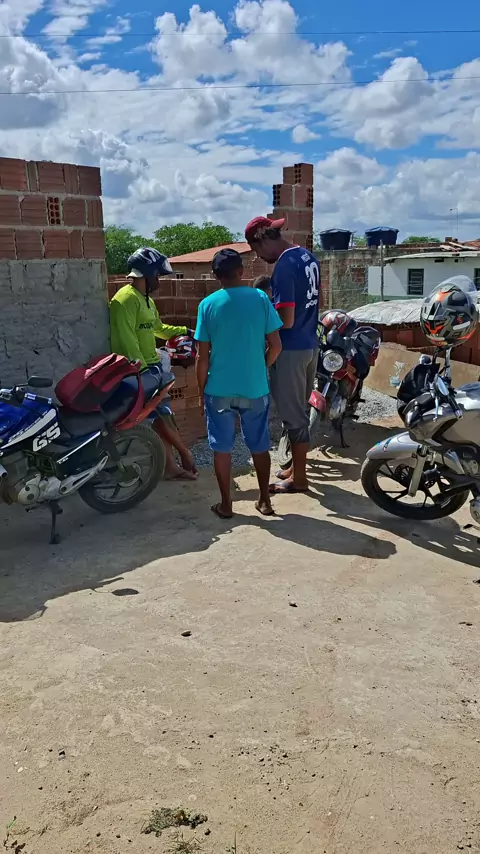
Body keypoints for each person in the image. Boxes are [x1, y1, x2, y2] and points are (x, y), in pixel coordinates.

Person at [195, 248, 282, 519]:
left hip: (218, 389)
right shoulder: (260, 298)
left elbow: (202, 357)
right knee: (259, 443)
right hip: (254, 387)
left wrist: (201, 391)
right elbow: (276, 346)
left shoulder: (207, 305)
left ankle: (226, 504)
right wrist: (260, 367)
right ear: (242, 271)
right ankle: (264, 500)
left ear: (215, 276)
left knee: (222, 448)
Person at [245, 216, 320, 494]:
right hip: (310, 344)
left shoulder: (285, 266)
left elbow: (285, 319)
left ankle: (299, 480)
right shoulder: (308, 257)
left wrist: (259, 325)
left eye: (256, 250)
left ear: (263, 240)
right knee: (299, 410)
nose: (258, 256)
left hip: (290, 349)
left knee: (294, 416)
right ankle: (295, 469)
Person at [109, 246, 198, 481]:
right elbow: (126, 339)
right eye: (157, 275)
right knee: (161, 417)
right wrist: (141, 371)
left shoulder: (146, 300)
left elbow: (158, 328)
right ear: (146, 274)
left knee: (161, 417)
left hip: (152, 367)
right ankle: (184, 454)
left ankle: (170, 467)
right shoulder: (125, 300)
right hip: (138, 370)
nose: (159, 280)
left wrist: (186, 331)